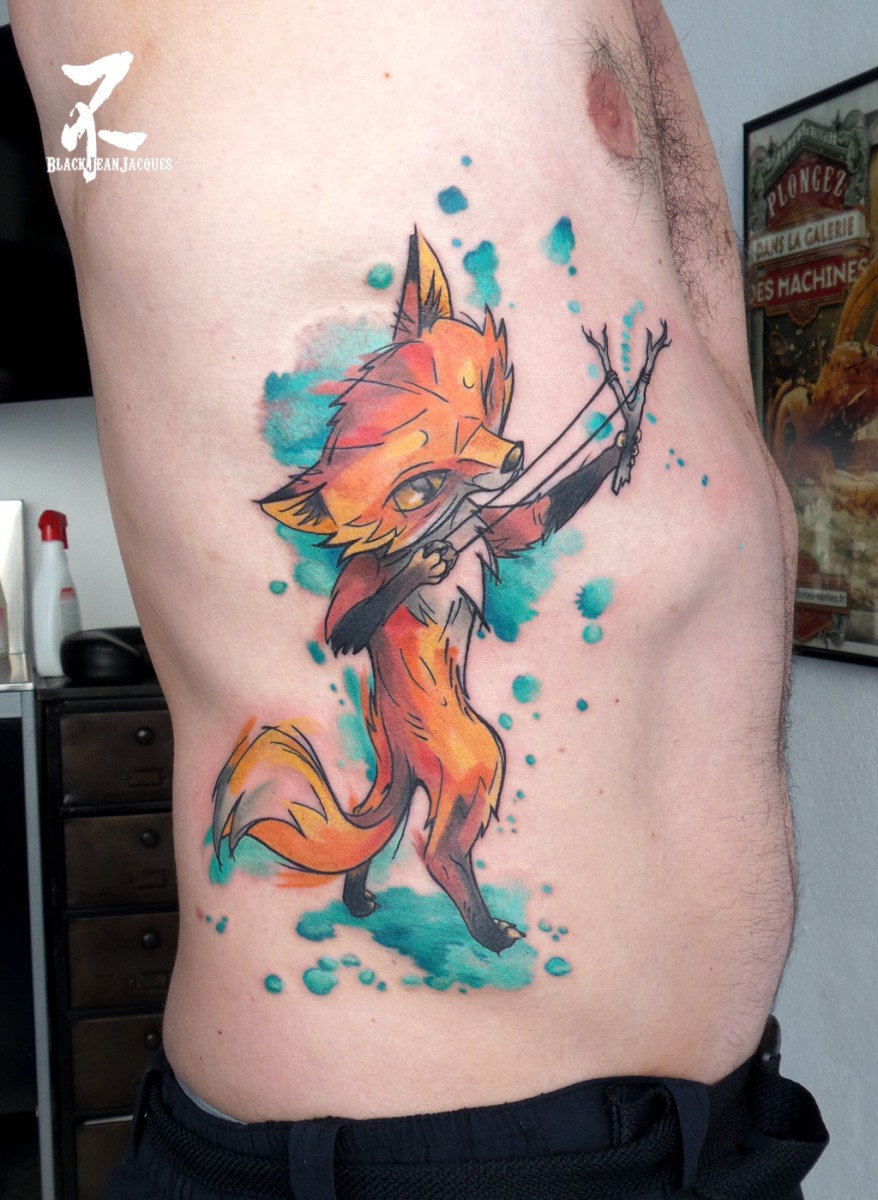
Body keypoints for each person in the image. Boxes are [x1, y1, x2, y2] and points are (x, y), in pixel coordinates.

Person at [11, 1, 828, 1196]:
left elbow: (547, 507)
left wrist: (621, 432)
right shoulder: (392, 539)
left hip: (728, 1124)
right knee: (459, 768)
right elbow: (347, 618)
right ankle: (438, 882)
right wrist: (416, 547)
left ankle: (376, 860)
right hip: (426, 1159)